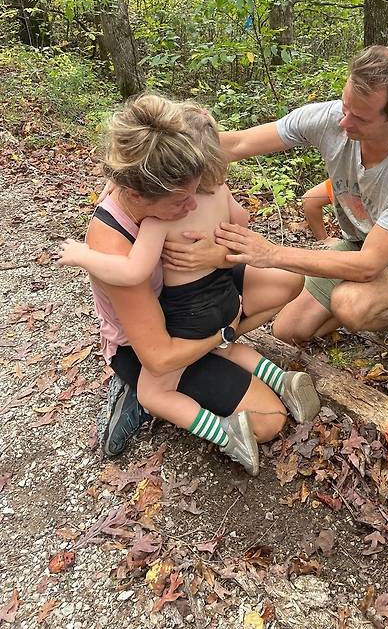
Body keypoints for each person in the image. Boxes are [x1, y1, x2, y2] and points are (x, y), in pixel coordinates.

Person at [162, 46, 388, 387]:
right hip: (359, 243)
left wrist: (270, 255)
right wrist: (142, 171)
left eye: (359, 118)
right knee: (290, 330)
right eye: (345, 107)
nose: (344, 123)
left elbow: (368, 266)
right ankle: (375, 300)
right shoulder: (331, 118)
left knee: (351, 305)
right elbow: (237, 144)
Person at [59, 94, 315, 474]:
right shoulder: (117, 238)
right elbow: (158, 356)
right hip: (151, 344)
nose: (192, 207)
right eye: (181, 201)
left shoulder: (159, 184)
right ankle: (133, 392)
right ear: (135, 194)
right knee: (269, 420)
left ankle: (207, 360)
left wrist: (215, 254)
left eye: (194, 193)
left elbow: (230, 186)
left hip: (189, 312)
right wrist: (224, 334)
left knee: (285, 281)